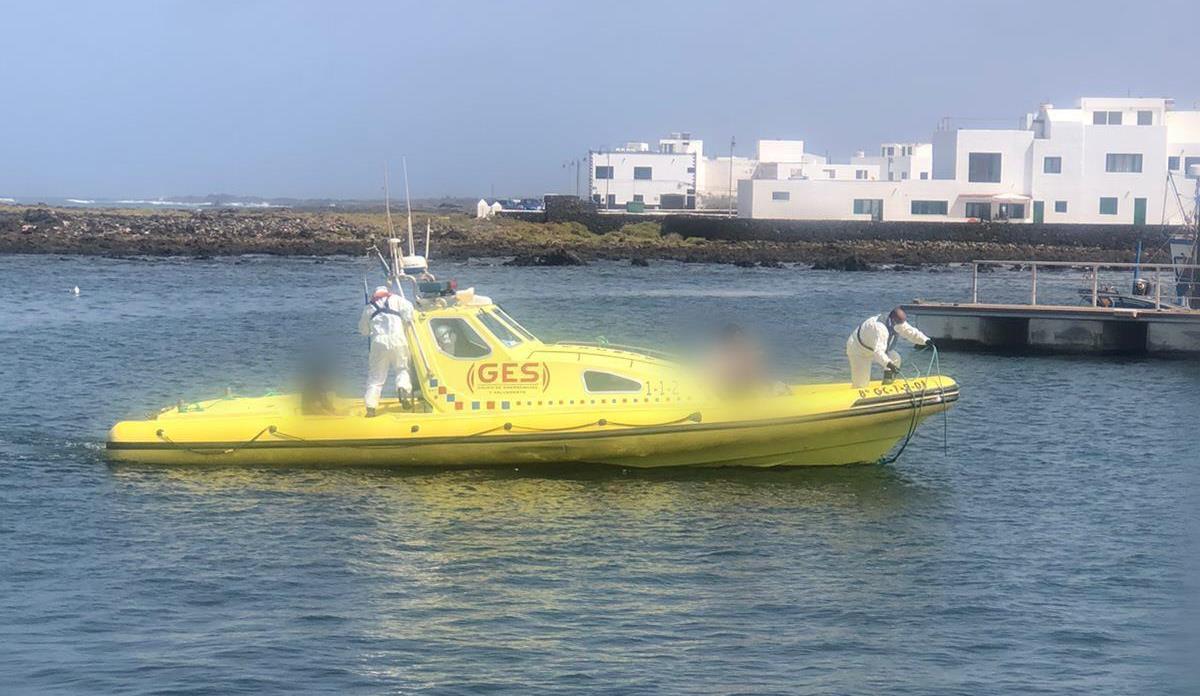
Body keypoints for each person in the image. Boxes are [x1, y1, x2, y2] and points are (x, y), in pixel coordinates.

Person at [358, 285, 414, 417]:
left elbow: (363, 331)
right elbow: (409, 312)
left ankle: (371, 408)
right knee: (402, 368)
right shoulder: (397, 299)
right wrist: (405, 320)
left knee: (376, 377)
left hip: (379, 342)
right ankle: (403, 389)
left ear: (375, 294)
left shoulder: (369, 307)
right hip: (398, 339)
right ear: (387, 292)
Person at [845, 307, 933, 389]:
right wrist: (889, 364)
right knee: (861, 383)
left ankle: (887, 382)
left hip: (873, 347)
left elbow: (911, 332)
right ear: (892, 320)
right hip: (858, 349)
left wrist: (926, 340)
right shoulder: (880, 328)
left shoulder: (898, 322)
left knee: (895, 358)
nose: (902, 326)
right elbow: (878, 352)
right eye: (899, 323)